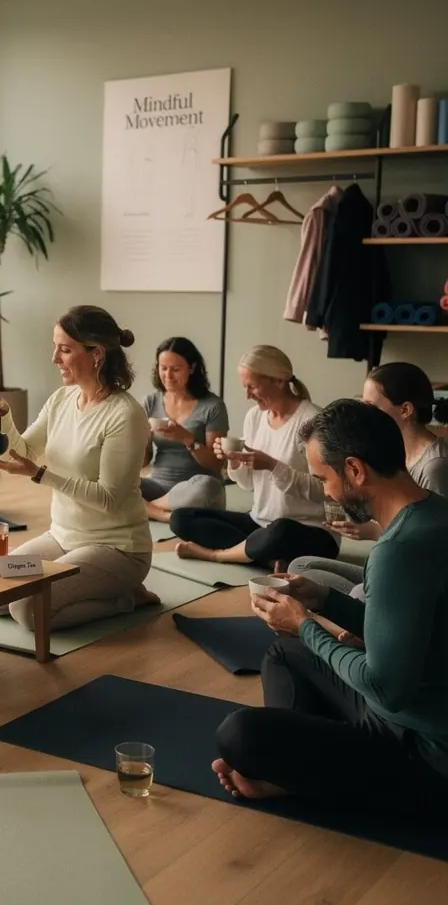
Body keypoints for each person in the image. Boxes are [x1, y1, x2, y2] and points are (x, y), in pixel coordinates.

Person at [213, 400, 448, 817]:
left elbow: (385, 689)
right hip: (416, 704)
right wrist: (325, 601)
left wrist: (304, 625)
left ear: (355, 470)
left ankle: (299, 777)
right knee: (284, 654)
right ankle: (303, 767)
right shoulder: (435, 512)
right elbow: (412, 633)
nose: (324, 491)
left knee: (239, 734)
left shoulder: (399, 551)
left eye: (323, 478)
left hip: (423, 751)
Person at [0, 305, 156, 630]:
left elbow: (108, 498)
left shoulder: (125, 415)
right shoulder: (61, 399)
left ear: (96, 353)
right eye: (55, 347)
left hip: (116, 547)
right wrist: (3, 415)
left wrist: (41, 474)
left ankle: (126, 597)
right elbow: (27, 451)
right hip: (62, 537)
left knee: (29, 611)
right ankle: (100, 590)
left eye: (65, 349)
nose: (54, 358)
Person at [169, 345, 337, 570]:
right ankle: (265, 557)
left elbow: (327, 491)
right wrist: (234, 460)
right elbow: (247, 484)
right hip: (260, 522)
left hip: (308, 529)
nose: (247, 395)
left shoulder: (314, 421)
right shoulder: (254, 417)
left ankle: (217, 555)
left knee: (280, 531)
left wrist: (272, 466)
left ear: (278, 381)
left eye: (252, 386)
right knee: (181, 518)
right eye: (244, 386)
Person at [289, 361, 448, 594]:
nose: (364, 413)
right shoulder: (390, 451)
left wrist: (371, 530)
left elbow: (430, 547)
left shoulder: (435, 466)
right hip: (392, 559)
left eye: (371, 406)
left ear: (405, 410)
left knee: (354, 593)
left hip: (414, 577)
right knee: (301, 566)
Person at [140, 337, 228, 522]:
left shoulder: (212, 406)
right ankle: (166, 515)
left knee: (207, 487)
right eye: (163, 368)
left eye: (176, 369)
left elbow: (216, 464)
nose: (168, 376)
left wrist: (187, 439)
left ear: (192, 368)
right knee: (116, 484)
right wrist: (140, 439)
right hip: (157, 484)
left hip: (194, 487)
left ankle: (144, 509)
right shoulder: (151, 402)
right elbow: (142, 461)